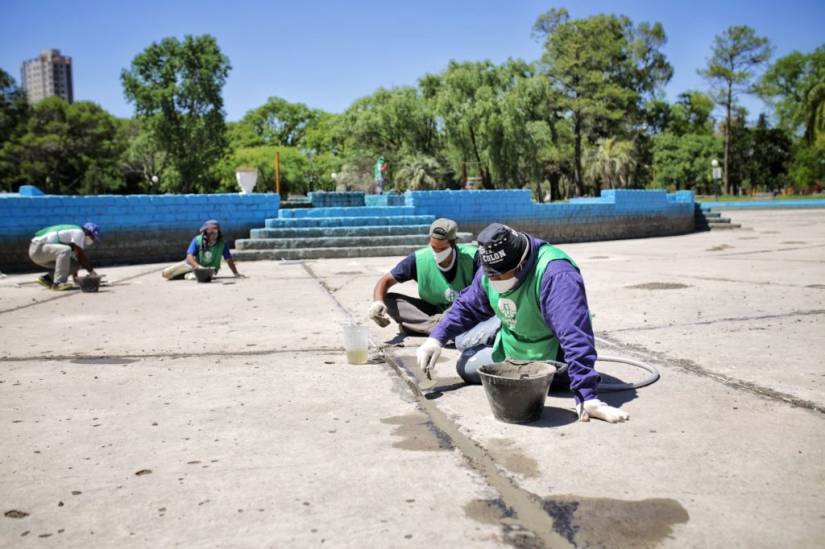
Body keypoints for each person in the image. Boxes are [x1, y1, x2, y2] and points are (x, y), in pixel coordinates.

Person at [416, 223, 629, 423]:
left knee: (502, 376)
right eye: (492, 277)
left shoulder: (556, 274)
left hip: (553, 358)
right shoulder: (491, 267)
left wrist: (586, 394)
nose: (495, 282)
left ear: (521, 263)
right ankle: (496, 333)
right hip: (514, 340)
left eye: (501, 276)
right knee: (465, 362)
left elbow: (574, 334)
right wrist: (436, 338)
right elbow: (467, 306)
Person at [369, 218, 493, 337]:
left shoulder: (473, 257)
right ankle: (439, 327)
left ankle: (421, 327)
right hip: (433, 310)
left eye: (442, 249)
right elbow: (385, 281)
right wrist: (377, 303)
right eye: (434, 248)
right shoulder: (418, 259)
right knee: (388, 299)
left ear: (453, 243)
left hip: (463, 310)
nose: (437, 252)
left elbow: (486, 289)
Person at [161, 220, 244, 280]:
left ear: (218, 232)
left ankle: (187, 275)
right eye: (210, 232)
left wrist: (236, 273)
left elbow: (228, 259)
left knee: (196, 277)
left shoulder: (222, 244)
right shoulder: (197, 240)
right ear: (205, 233)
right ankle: (187, 274)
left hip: (210, 270)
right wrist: (198, 266)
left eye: (215, 231)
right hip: (191, 265)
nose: (213, 234)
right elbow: (189, 257)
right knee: (166, 274)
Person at [28, 222, 101, 291]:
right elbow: (80, 256)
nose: (92, 240)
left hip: (42, 253)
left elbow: (76, 258)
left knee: (74, 265)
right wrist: (92, 272)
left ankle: (46, 279)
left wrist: (76, 279)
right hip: (37, 249)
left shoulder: (72, 236)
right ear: (87, 232)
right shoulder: (79, 232)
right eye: (93, 237)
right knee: (65, 250)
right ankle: (58, 283)